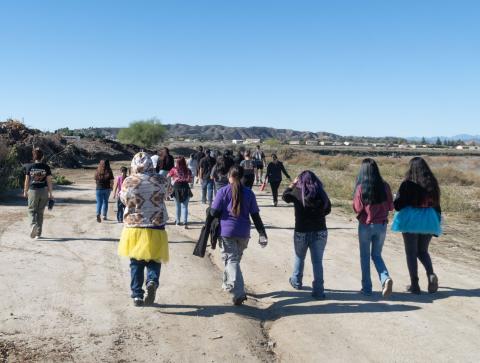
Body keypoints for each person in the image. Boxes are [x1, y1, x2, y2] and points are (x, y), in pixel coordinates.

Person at [209, 165, 268, 305]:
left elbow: (213, 212)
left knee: (231, 260)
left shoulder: (223, 191)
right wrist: (262, 233)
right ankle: (227, 284)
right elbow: (255, 215)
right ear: (241, 177)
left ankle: (239, 292)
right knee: (233, 260)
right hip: (243, 233)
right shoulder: (249, 193)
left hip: (227, 232)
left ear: (229, 175)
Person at [118, 152, 169, 306]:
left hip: (135, 226)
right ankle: (152, 280)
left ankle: (137, 295)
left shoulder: (128, 181)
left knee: (136, 262)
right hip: (156, 224)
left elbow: (123, 199)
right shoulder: (161, 179)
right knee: (154, 257)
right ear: (150, 164)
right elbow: (168, 194)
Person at [392, 157, 442, 294]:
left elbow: (397, 206)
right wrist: (437, 223)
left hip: (410, 220)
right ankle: (431, 274)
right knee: (423, 251)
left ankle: (415, 285)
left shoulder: (407, 184)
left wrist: (396, 197)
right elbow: (437, 205)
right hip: (429, 219)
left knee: (411, 253)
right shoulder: (432, 184)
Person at [282, 170, 331, 299]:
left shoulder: (297, 192)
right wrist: (318, 216)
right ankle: (319, 291)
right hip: (320, 231)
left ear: (299, 181)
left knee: (299, 257)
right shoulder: (321, 193)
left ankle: (296, 281)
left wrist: (292, 184)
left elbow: (285, 196)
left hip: (301, 231)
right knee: (317, 262)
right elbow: (328, 209)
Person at [353, 158, 394, 298]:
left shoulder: (360, 187)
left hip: (366, 225)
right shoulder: (385, 186)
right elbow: (391, 206)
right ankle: (385, 278)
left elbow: (357, 208)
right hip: (381, 225)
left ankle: (367, 288)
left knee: (364, 256)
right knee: (376, 255)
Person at [23, 148, 54, 239]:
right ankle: (38, 234)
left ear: (34, 156)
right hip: (44, 191)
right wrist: (51, 194)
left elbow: (27, 181)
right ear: (42, 156)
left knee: (31, 210)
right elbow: (49, 181)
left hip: (33, 191)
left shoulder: (29, 166)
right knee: (40, 212)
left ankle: (33, 225)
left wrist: (25, 191)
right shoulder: (46, 167)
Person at [168, 157, 193, 228]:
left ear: (177, 162)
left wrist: (174, 178)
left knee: (177, 206)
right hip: (186, 187)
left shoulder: (174, 169)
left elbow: (168, 176)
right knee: (185, 207)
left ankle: (178, 221)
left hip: (176, 188)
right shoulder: (188, 170)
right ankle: (185, 222)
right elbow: (190, 180)